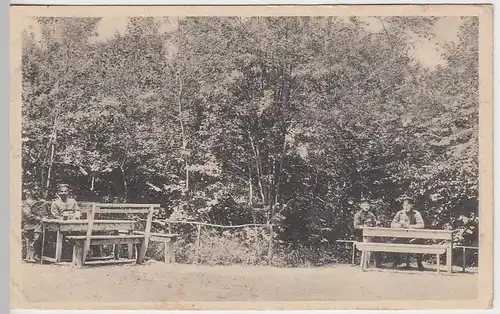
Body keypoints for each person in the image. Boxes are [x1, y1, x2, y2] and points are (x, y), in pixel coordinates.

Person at [390, 195, 425, 271]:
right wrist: (400, 225)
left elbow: (421, 225)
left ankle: (419, 263)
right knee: (393, 242)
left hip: (413, 237)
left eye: (408, 205)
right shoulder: (399, 213)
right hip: (401, 237)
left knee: (420, 242)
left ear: (411, 206)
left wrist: (410, 226)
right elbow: (392, 224)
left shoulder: (416, 213)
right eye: (404, 205)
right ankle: (397, 260)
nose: (405, 207)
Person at [21, 189, 49, 262]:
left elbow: (46, 213)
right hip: (30, 225)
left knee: (43, 225)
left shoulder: (42, 201)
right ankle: (35, 245)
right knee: (40, 225)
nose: (36, 192)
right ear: (30, 191)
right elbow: (28, 216)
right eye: (34, 190)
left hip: (41, 224)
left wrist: (45, 216)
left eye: (37, 190)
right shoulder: (26, 203)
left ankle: (36, 245)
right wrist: (39, 218)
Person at [353, 199, 382, 268]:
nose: (366, 206)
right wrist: (363, 226)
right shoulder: (358, 215)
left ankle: (377, 262)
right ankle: (363, 262)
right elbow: (356, 226)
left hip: (371, 234)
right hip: (360, 234)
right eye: (364, 205)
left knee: (379, 240)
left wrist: (377, 223)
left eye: (368, 205)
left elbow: (375, 223)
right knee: (364, 243)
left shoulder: (371, 214)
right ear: (361, 206)